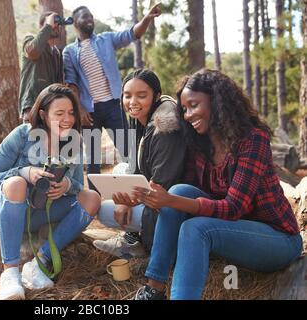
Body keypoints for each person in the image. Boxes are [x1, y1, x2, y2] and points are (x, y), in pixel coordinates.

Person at [129, 69, 303, 300]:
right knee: (179, 190)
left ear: (217, 102)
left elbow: (233, 208)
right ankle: (153, 289)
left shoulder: (253, 139)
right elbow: (181, 200)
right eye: (184, 109)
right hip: (232, 230)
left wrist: (171, 201)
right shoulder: (200, 143)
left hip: (277, 239)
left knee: (195, 227)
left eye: (194, 105)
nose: (188, 115)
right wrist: (149, 199)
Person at [0, 84, 101, 300]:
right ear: (44, 115)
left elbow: (78, 186)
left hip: (41, 213)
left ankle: (39, 262)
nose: (68, 119)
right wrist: (24, 172)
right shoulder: (22, 134)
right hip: (6, 209)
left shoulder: (73, 142)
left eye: (72, 112)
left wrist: (66, 185)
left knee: (92, 198)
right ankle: (10, 272)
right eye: (60, 113)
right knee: (16, 183)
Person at [63, 4, 162, 188]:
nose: (90, 19)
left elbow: (132, 34)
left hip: (114, 106)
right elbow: (71, 83)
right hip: (90, 111)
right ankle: (95, 198)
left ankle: (137, 190)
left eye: (91, 16)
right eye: (85, 16)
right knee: (93, 159)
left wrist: (147, 18)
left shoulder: (106, 39)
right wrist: (80, 109)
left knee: (128, 150)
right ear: (75, 22)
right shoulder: (70, 51)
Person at [92, 69, 186, 259]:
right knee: (121, 168)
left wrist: (128, 201)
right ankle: (131, 238)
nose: (132, 102)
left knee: (103, 211)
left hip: (167, 204)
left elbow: (163, 185)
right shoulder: (141, 121)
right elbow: (135, 164)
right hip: (150, 189)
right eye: (127, 96)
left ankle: (139, 243)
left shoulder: (165, 128)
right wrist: (127, 197)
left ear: (157, 96)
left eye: (141, 96)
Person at [18, 11, 64, 123]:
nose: (55, 26)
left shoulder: (56, 53)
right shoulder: (29, 40)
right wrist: (48, 26)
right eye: (53, 22)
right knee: (33, 140)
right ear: (41, 26)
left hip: (50, 109)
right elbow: (33, 52)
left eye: (57, 23)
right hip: (32, 107)